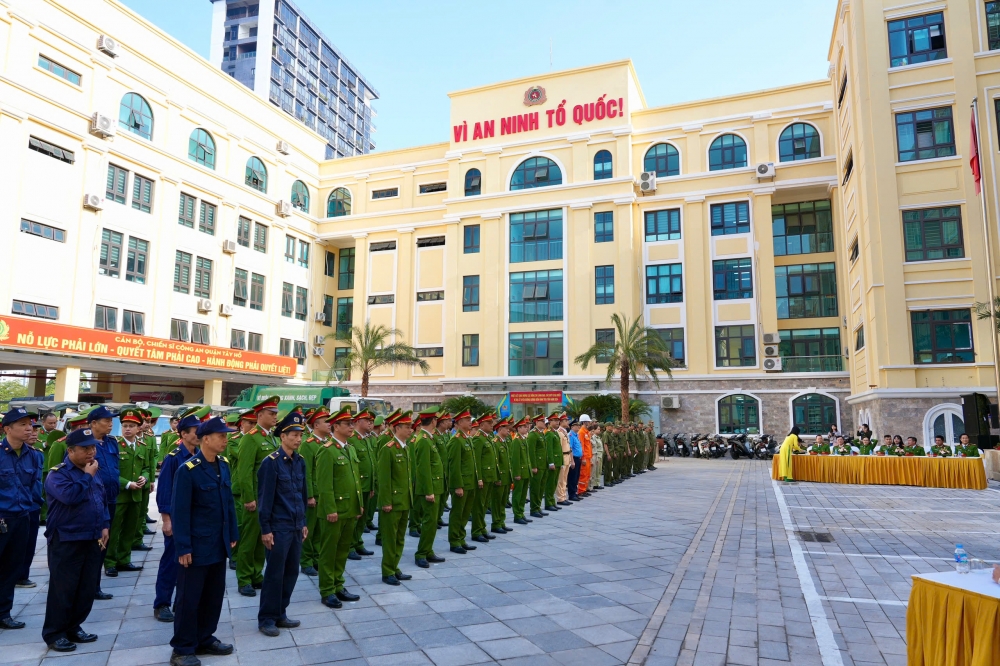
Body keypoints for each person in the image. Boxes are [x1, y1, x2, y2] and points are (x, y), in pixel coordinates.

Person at [169, 417, 239, 666]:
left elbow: (228, 504)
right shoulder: (188, 470)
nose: (225, 439)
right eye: (221, 435)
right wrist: (184, 547)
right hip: (196, 546)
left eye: (226, 435)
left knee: (213, 595)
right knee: (189, 598)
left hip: (218, 543)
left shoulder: (224, 465)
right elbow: (180, 512)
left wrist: (232, 534)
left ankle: (204, 637)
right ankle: (182, 648)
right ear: (206, 439)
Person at [41, 427, 109, 653]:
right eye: (85, 448)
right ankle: (54, 633)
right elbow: (70, 497)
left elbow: (101, 498)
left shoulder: (93, 469)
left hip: (91, 537)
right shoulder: (58, 474)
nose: (91, 452)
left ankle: (73, 626)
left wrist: (105, 524)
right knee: (64, 589)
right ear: (70, 451)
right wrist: (87, 476)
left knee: (86, 587)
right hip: (67, 538)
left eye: (92, 448)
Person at [256, 410, 308, 637]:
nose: (298, 439)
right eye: (294, 434)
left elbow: (301, 494)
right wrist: (265, 529)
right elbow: (265, 499)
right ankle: (267, 618)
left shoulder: (300, 462)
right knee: (275, 574)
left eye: (300, 435)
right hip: (278, 528)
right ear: (283, 436)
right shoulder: (271, 463)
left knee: (291, 572)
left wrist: (303, 521)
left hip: (296, 526)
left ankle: (280, 613)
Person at [152, 414, 201, 623]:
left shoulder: (201, 455)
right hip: (176, 518)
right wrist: (166, 520)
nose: (200, 434)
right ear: (184, 434)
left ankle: (183, 602)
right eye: (196, 431)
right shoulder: (173, 458)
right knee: (172, 561)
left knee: (191, 563)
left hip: (195, 518)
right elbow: (163, 491)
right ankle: (162, 603)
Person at [315, 407, 364, 608]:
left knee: (343, 549)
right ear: (336, 427)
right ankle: (327, 591)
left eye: (352, 423)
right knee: (329, 552)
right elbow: (324, 484)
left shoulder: (349, 448)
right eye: (347, 424)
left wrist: (359, 505)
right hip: (334, 511)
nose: (352, 427)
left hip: (350, 508)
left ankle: (338, 584)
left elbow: (355, 481)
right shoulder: (327, 450)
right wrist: (330, 509)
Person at [0, 408, 43, 630]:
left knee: (11, 569)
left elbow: (34, 487)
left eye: (30, 424)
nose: (29, 428)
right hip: (1, 518)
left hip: (23, 517)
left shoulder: (33, 455)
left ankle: (3, 613)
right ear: (7, 429)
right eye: (23, 424)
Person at [235, 396, 280, 597]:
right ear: (259, 415)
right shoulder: (251, 438)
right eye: (271, 413)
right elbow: (244, 472)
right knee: (249, 539)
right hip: (256, 496)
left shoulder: (273, 438)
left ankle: (256, 573)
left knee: (264, 538)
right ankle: (244, 578)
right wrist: (248, 498)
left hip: (269, 498)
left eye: (276, 413)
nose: (275, 417)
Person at [105, 407, 151, 577]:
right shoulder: (114, 445)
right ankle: (110, 562)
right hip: (120, 495)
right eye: (125, 425)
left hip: (136, 495)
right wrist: (127, 483)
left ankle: (124, 559)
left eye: (132, 425)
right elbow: (110, 471)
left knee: (130, 529)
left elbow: (146, 467)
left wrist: (145, 478)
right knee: (114, 529)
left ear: (139, 428)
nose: (128, 428)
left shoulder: (142, 446)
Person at [378, 411, 415, 585]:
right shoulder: (389, 449)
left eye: (411, 426)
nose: (411, 430)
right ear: (397, 428)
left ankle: (395, 566)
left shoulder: (406, 448)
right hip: (392, 502)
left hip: (404, 500)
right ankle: (387, 571)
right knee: (390, 538)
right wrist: (386, 502)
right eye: (407, 427)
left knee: (400, 537)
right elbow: (384, 479)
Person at [86, 406, 119, 601]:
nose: (110, 424)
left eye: (111, 420)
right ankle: (88, 585)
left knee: (103, 544)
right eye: (106, 420)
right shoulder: (85, 443)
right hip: (93, 501)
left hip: (111, 499)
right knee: (92, 545)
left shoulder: (112, 443)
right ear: (93, 423)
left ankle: (95, 585)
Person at [412, 407, 446, 567]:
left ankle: (428, 550)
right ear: (433, 421)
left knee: (432, 522)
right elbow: (423, 469)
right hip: (430, 489)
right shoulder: (424, 440)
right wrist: (428, 491)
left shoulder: (428, 438)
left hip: (436, 486)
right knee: (428, 521)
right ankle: (421, 554)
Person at [15, 417, 45, 589]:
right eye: (29, 429)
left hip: (33, 505)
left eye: (35, 429)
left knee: (29, 543)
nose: (33, 433)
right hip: (14, 508)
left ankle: (22, 575)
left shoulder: (37, 454)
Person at [299, 408, 329, 577]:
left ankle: (317, 557)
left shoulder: (327, 443)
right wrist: (309, 494)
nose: (329, 424)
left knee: (320, 530)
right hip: (314, 494)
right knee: (309, 530)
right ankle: (306, 561)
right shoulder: (308, 445)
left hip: (324, 494)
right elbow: (306, 472)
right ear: (316, 425)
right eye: (326, 421)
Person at [446, 410, 479, 553]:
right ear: (459, 423)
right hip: (462, 484)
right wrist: (458, 485)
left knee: (465, 513)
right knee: (457, 513)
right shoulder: (456, 440)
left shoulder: (467, 439)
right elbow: (454, 466)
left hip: (470, 482)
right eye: (466, 420)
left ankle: (461, 538)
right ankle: (454, 541)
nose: (470, 422)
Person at [348, 409, 377, 560]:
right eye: (367, 421)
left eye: (372, 421)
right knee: (355, 517)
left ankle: (358, 542)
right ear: (358, 422)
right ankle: (350, 546)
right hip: (358, 486)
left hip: (367, 485)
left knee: (363, 517)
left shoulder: (367, 439)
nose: (371, 424)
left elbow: (371, 463)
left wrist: (372, 485)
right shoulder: (352, 439)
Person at [470, 413, 498, 544]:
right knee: (479, 506)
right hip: (483, 478)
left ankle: (482, 529)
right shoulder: (478, 439)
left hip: (489, 476)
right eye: (489, 423)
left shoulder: (487, 438)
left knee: (485, 505)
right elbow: (476, 462)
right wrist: (479, 478)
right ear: (481, 425)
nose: (492, 425)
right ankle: (476, 531)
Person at [491, 418, 513, 535]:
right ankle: (496, 523)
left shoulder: (504, 441)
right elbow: (495, 463)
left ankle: (501, 522)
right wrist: (497, 477)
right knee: (497, 501)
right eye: (506, 429)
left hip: (506, 476)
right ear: (500, 429)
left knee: (503, 500)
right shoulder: (495, 442)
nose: (509, 431)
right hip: (500, 477)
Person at [510, 418, 532, 525]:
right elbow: (515, 459)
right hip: (520, 472)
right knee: (517, 494)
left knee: (523, 494)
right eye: (524, 427)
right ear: (519, 428)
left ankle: (521, 513)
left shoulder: (524, 439)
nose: (527, 428)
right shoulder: (516, 441)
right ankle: (517, 515)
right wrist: (516, 473)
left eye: (526, 426)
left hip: (526, 471)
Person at [527, 414, 547, 518]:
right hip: (537, 466)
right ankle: (533, 509)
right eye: (542, 421)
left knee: (541, 487)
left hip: (543, 464)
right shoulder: (533, 435)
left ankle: (538, 506)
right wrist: (533, 466)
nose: (544, 423)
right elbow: (531, 451)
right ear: (536, 422)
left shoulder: (541, 434)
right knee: (535, 488)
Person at [555, 415, 572, 505]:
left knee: (565, 478)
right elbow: (559, 448)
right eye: (566, 420)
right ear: (561, 422)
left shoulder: (564, 431)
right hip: (563, 456)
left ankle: (564, 496)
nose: (567, 422)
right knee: (560, 479)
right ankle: (560, 498)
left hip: (567, 456)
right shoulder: (559, 432)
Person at [577, 415, 593, 497]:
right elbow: (581, 446)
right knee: (583, 474)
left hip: (588, 456)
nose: (589, 423)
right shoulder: (581, 432)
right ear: (584, 422)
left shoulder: (586, 432)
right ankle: (581, 490)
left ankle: (584, 489)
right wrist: (583, 458)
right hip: (585, 457)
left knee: (587, 474)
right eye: (588, 421)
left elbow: (588, 446)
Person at [567, 421, 583, 501]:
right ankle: (571, 494)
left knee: (576, 477)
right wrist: (572, 461)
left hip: (578, 458)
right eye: (576, 425)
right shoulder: (570, 435)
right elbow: (570, 449)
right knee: (572, 477)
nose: (578, 427)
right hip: (574, 458)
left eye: (578, 425)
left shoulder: (576, 435)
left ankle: (575, 492)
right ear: (571, 427)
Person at [590, 424, 604, 490]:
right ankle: (595, 484)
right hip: (596, 455)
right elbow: (594, 448)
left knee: (599, 470)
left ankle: (597, 483)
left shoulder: (598, 437)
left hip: (600, 455)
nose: (599, 430)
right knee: (596, 471)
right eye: (598, 429)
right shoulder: (593, 437)